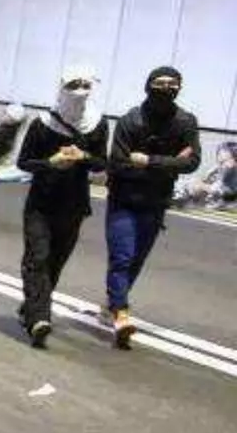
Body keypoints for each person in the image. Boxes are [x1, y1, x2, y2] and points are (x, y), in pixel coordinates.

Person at [103, 66, 199, 348]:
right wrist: (170, 164)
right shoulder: (130, 120)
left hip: (156, 203)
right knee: (122, 256)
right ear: (148, 85)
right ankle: (121, 313)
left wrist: (148, 161)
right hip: (124, 199)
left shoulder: (185, 122)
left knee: (136, 260)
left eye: (173, 83)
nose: (166, 88)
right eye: (160, 82)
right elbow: (118, 163)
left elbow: (192, 162)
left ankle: (113, 302)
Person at [15, 67, 109, 348]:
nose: (79, 90)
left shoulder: (97, 124)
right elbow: (24, 162)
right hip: (41, 204)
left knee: (55, 262)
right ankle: (39, 319)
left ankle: (30, 307)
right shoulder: (42, 124)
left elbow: (102, 163)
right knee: (37, 257)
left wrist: (84, 156)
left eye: (85, 85)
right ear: (61, 87)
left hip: (74, 205)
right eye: (73, 84)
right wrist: (50, 163)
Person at [174, 140, 236, 210]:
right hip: (216, 197)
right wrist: (199, 183)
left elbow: (222, 192)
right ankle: (178, 198)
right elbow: (205, 178)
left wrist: (202, 186)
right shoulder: (218, 168)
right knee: (190, 184)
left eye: (224, 161)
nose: (221, 164)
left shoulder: (231, 171)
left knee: (196, 188)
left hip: (225, 200)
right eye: (220, 161)